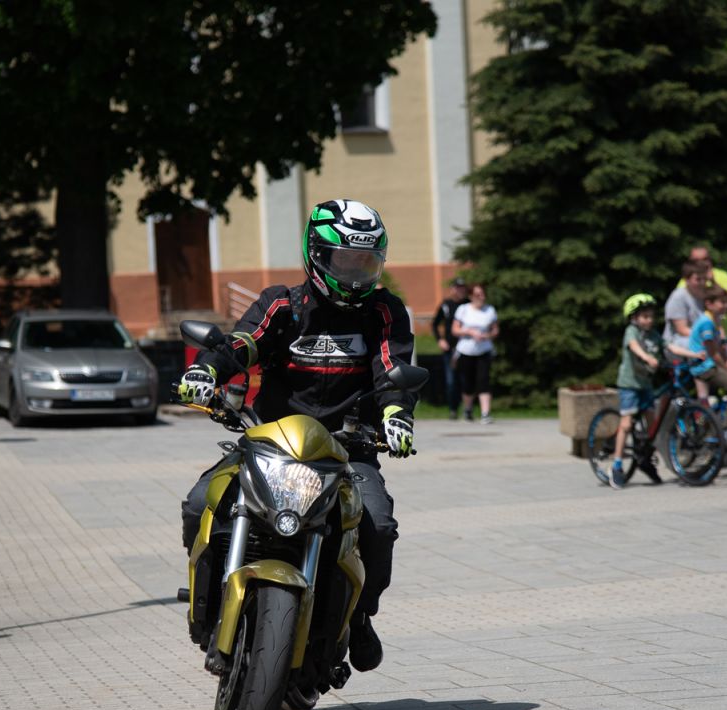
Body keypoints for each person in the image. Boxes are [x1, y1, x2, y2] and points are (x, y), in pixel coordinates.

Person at [176, 199, 414, 672]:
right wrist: (207, 370)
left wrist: (396, 416)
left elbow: (393, 369)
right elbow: (243, 344)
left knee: (378, 526)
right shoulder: (282, 304)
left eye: (365, 263)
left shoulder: (383, 311)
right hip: (270, 443)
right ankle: (209, 601)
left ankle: (360, 615)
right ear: (316, 255)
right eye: (345, 262)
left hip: (348, 449)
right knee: (201, 502)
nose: (354, 275)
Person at [611, 294, 664, 488]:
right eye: (644, 316)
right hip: (629, 385)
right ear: (634, 318)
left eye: (651, 316)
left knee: (652, 423)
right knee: (626, 424)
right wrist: (647, 357)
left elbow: (669, 347)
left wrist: (694, 354)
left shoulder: (653, 335)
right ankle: (617, 464)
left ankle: (645, 459)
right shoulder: (631, 331)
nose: (649, 320)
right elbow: (633, 346)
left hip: (645, 385)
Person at [688, 288, 727, 446]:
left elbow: (723, 353)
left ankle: (719, 415)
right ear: (709, 304)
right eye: (722, 302)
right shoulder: (706, 323)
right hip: (704, 368)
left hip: (711, 365)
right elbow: (714, 354)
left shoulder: (715, 321)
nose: (726, 306)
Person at [451, 283, 499, 424]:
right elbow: (455, 330)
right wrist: (469, 332)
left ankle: (485, 413)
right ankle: (468, 409)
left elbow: (495, 330)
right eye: (478, 294)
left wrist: (486, 335)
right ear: (471, 296)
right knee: (468, 382)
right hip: (466, 350)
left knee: (484, 380)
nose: (481, 297)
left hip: (484, 350)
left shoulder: (490, 310)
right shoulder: (463, 309)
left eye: (483, 294)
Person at [431, 276, 469, 419]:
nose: (460, 291)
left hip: (466, 348)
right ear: (453, 289)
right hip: (449, 349)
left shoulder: (468, 305)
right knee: (451, 381)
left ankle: (467, 409)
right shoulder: (446, 305)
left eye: (462, 288)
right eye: (458, 288)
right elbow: (435, 324)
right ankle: (453, 409)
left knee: (466, 379)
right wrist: (440, 340)